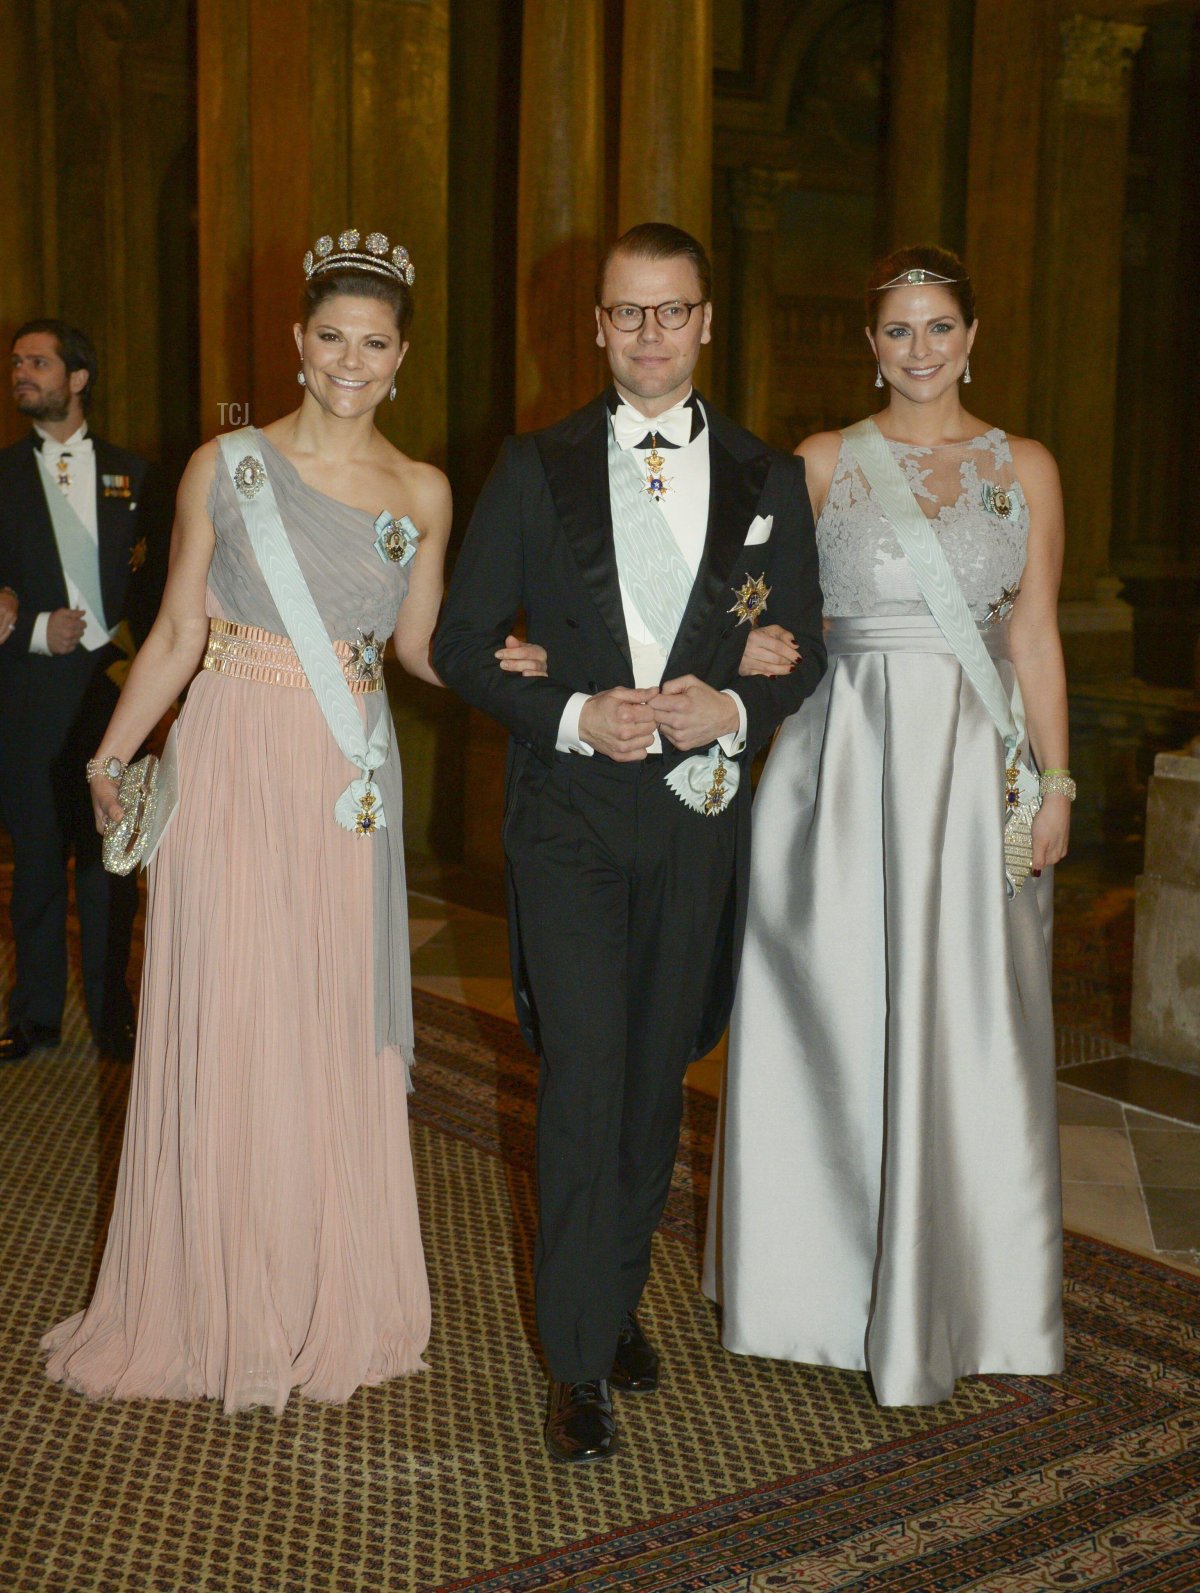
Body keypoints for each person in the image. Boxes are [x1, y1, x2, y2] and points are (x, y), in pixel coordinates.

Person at [41, 229, 462, 1411]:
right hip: (229, 750)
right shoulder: (224, 463)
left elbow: (422, 647)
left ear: (402, 356)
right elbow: (175, 630)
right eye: (330, 337)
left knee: (327, 1015)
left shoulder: (422, 490)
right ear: (296, 342)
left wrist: (532, 669)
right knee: (227, 1007)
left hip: (343, 777)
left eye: (373, 344)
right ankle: (209, 1296)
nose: (349, 361)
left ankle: (322, 1286)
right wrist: (114, 756)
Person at [434, 222, 826, 1461]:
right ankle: (577, 1359)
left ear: (707, 321)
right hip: (570, 820)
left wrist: (739, 704)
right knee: (586, 1074)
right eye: (626, 314)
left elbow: (801, 648)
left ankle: (614, 1301)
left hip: (699, 819)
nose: (649, 335)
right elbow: (455, 643)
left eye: (671, 312)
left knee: (660, 1072)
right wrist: (565, 709)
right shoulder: (532, 465)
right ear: (597, 327)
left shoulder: (770, 481)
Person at [705, 244, 1072, 1407]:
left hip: (976, 772)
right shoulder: (819, 464)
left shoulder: (1030, 468)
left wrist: (1054, 783)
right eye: (900, 331)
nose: (921, 350)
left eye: (941, 328)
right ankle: (814, 1285)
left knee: (976, 1021)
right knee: (834, 1008)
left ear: (974, 336)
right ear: (871, 345)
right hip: (843, 763)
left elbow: (1036, 637)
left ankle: (975, 1293)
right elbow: (749, 607)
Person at [0, 320, 167, 1064]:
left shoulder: (138, 475)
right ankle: (33, 1014)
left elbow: (166, 586)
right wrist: (36, 629)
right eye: (16, 364)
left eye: (38, 362)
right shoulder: (0, 474)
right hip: (29, 692)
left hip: (115, 693)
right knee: (36, 860)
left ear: (78, 378)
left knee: (112, 865)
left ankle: (114, 1013)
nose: (21, 373)